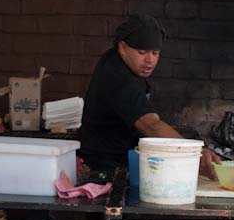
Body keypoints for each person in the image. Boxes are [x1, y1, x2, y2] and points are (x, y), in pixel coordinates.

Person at [79, 13, 219, 177]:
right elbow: (150, 124)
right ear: (123, 47)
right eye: (142, 52)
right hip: (105, 168)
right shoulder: (117, 76)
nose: (149, 60)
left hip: (121, 159)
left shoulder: (124, 65)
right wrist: (195, 154)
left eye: (155, 53)